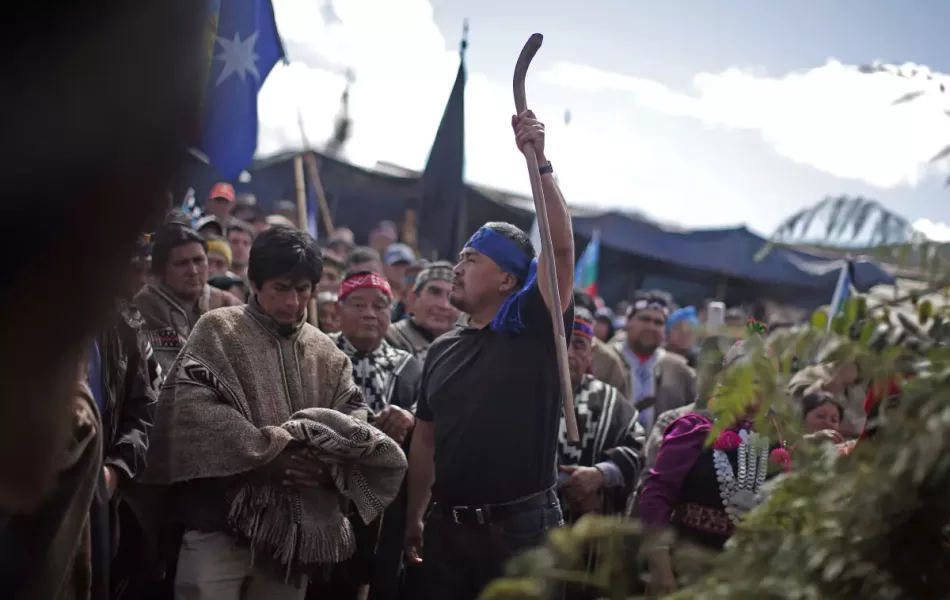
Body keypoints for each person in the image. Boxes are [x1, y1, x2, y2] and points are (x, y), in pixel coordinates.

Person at [143, 227, 401, 599]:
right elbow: (192, 413)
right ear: (255, 282)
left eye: (303, 289)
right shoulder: (218, 330)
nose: (293, 302)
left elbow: (352, 420)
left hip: (293, 539)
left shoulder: (327, 353)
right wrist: (270, 456)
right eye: (281, 288)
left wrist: (323, 466)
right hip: (218, 522)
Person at [405, 110, 575, 600]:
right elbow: (426, 443)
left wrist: (540, 161)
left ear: (507, 278)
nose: (457, 268)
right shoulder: (442, 350)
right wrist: (416, 514)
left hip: (523, 535)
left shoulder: (537, 331)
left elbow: (561, 252)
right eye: (459, 257)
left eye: (472, 259)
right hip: (446, 531)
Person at [134, 223, 242, 373]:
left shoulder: (228, 304)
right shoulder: (143, 308)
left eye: (198, 260)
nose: (193, 271)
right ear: (161, 270)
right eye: (181, 264)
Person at [386, 261, 458, 362]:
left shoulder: (465, 344)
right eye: (434, 292)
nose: (444, 305)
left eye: (452, 297)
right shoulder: (391, 337)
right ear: (413, 298)